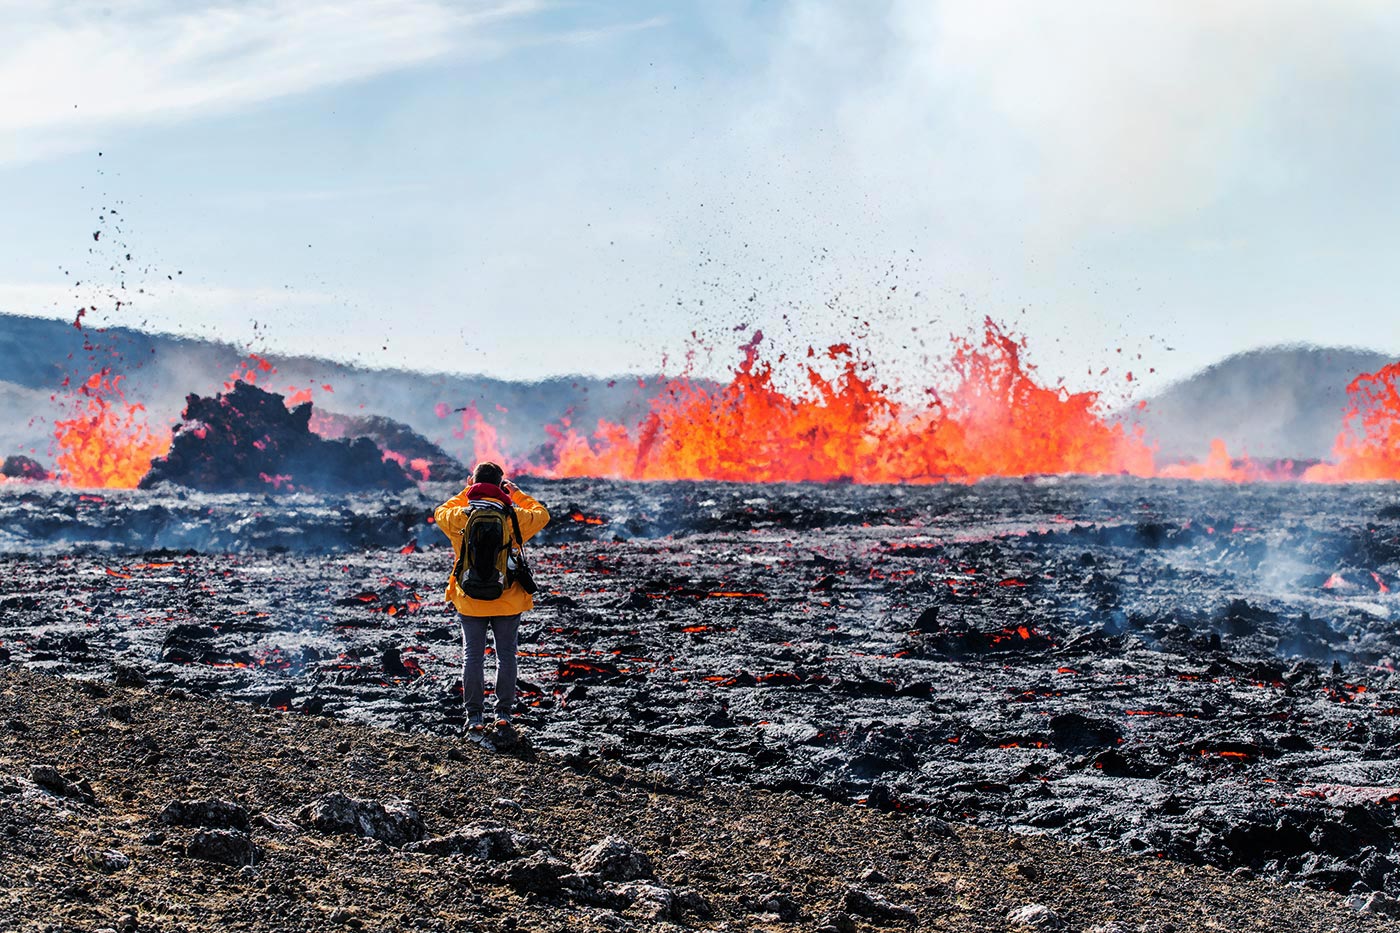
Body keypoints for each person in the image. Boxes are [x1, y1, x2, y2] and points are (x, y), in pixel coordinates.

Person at [435, 461, 550, 731]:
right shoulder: (514, 516)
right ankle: (503, 715)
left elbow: (440, 511)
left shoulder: (459, 516)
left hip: (470, 598)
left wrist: (467, 491)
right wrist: (516, 493)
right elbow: (542, 514)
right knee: (506, 655)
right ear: (501, 486)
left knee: (472, 656)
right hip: (507, 598)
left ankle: (474, 717)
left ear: (473, 483)